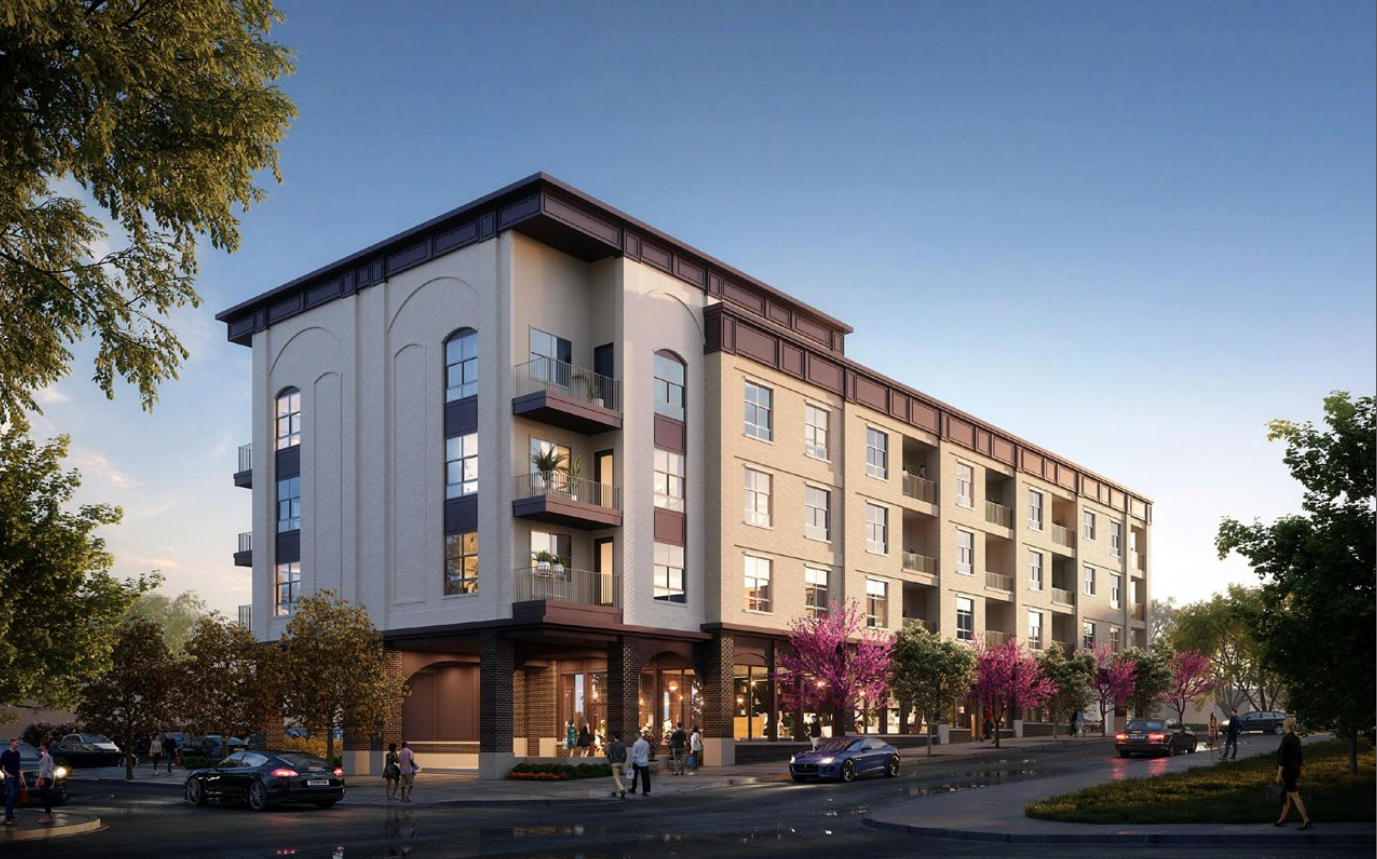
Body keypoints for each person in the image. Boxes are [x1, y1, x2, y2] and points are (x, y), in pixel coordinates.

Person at [1274, 716, 1311, 829]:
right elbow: (1300, 757)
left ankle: (1306, 820)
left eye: (1283, 725)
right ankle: (1281, 820)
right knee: (1287, 796)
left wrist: (1278, 774)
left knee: (1295, 796)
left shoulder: (1286, 739)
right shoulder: (1296, 739)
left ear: (1285, 726)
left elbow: (1283, 759)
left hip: (1288, 771)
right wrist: (1300, 772)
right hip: (1295, 769)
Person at [2, 738, 22, 825]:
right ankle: (7, 818)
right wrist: (7, 775)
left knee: (14, 797)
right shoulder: (5, 753)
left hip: (16, 778)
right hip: (9, 778)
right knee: (10, 796)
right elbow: (1, 766)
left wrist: (20, 777)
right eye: (16, 743)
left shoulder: (17, 754)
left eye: (18, 744)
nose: (18, 745)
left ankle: (11, 815)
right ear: (11, 743)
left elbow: (18, 767)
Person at [35, 742, 54, 824]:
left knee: (45, 797)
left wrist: (38, 780)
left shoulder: (46, 757)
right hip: (47, 778)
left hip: (45, 778)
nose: (40, 747)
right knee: (45, 796)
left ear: (44, 746)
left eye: (41, 745)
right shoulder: (46, 756)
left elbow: (44, 770)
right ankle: (49, 814)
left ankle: (47, 816)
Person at [605, 731, 627, 799]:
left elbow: (608, 753)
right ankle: (614, 792)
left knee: (616, 778)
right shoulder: (622, 744)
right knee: (617, 778)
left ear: (614, 736)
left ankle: (622, 790)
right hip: (621, 763)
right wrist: (623, 761)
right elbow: (625, 754)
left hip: (614, 763)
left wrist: (610, 760)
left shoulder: (612, 744)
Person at [630, 729, 652, 797]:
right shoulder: (646, 743)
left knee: (634, 776)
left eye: (635, 735)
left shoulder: (636, 743)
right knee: (645, 777)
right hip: (644, 762)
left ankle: (633, 788)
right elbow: (648, 753)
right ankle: (645, 790)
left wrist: (632, 761)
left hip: (636, 761)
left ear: (637, 735)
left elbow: (633, 754)